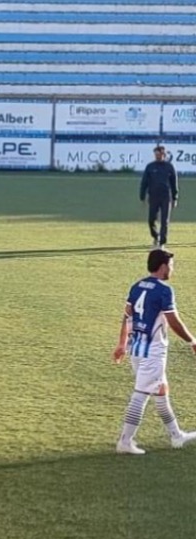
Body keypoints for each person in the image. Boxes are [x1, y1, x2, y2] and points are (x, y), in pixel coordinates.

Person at [113, 248, 196, 454]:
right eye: (171, 265)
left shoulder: (137, 286)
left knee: (160, 391)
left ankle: (176, 436)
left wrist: (122, 344)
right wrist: (192, 340)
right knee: (140, 395)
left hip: (136, 349)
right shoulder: (163, 290)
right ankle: (125, 441)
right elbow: (173, 321)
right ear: (163, 267)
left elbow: (127, 316)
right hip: (153, 351)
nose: (173, 269)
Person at [140, 145, 179, 248]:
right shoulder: (150, 167)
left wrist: (175, 197)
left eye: (160, 154)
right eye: (156, 154)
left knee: (164, 221)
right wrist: (142, 196)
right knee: (151, 220)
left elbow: (174, 184)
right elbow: (144, 182)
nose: (158, 156)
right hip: (153, 197)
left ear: (164, 155)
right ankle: (155, 236)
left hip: (166, 197)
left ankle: (162, 242)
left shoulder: (169, 167)